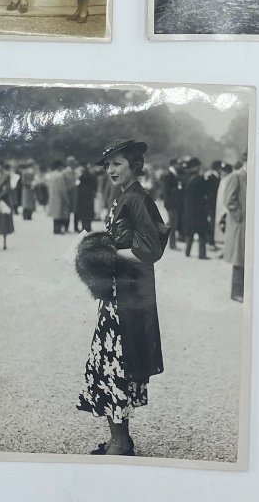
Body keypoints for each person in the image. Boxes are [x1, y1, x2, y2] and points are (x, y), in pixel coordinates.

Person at [78, 139, 167, 456]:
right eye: (108, 165)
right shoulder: (126, 197)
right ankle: (121, 439)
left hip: (128, 300)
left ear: (133, 165)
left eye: (117, 163)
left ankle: (120, 443)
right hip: (118, 295)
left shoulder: (138, 199)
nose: (110, 170)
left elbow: (151, 249)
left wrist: (107, 251)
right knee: (110, 366)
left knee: (115, 367)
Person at [221, 155, 248, 301]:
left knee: (245, 257)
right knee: (239, 258)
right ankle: (236, 292)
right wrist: (240, 215)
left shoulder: (249, 176)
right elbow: (229, 200)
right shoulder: (236, 176)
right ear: (245, 161)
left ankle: (243, 290)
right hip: (240, 224)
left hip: (246, 223)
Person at [182, 159, 209, 259]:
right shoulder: (200, 179)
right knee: (202, 231)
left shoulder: (185, 178)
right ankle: (202, 254)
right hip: (199, 209)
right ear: (195, 167)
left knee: (190, 231)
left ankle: (187, 251)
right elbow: (206, 191)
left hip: (188, 209)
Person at [46, 161, 70, 234]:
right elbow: (62, 188)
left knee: (55, 214)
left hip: (53, 196)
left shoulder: (51, 175)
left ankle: (56, 229)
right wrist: (66, 198)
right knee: (59, 214)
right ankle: (58, 229)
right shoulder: (60, 175)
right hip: (60, 197)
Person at [75, 165, 97, 233]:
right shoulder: (91, 176)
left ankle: (84, 227)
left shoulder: (81, 177)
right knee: (89, 212)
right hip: (89, 195)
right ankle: (89, 227)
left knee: (83, 213)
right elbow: (95, 185)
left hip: (82, 196)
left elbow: (77, 185)